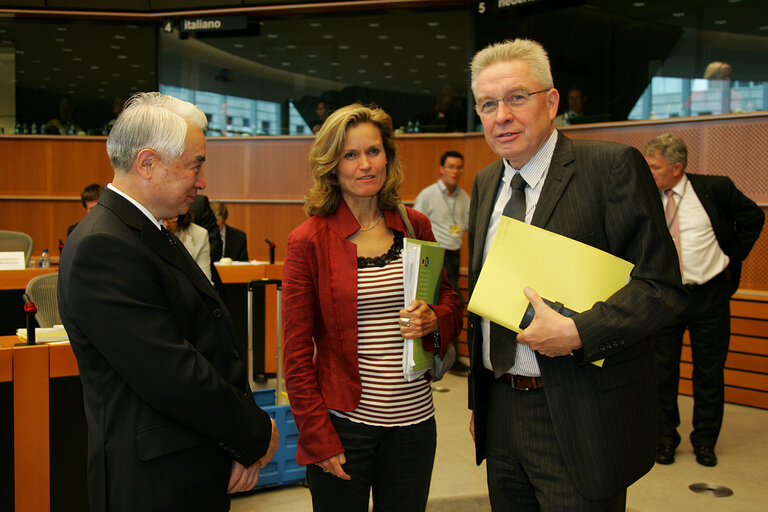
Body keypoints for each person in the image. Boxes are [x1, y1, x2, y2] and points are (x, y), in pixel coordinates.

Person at [466, 39, 687, 511]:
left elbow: (661, 288)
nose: (501, 114)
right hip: (500, 410)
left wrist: (578, 332)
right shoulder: (486, 183)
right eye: (488, 103)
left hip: (580, 410)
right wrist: (478, 405)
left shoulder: (609, 168)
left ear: (551, 102)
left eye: (516, 98)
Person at [57, 92, 278, 512]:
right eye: (195, 164)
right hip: (155, 486)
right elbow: (173, 372)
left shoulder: (144, 230)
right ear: (147, 163)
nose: (202, 181)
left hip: (186, 466)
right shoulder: (103, 246)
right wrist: (253, 433)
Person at [282, 103, 463, 512]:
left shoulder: (414, 224)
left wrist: (434, 319)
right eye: (350, 154)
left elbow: (450, 303)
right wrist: (317, 437)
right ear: (331, 165)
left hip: (415, 425)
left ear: (388, 156)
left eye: (374, 151)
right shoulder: (308, 241)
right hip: (345, 428)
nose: (365, 165)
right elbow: (294, 356)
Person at [644, 133, 764, 467]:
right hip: (667, 296)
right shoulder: (647, 195)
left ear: (677, 167)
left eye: (654, 166)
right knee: (662, 373)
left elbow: (754, 217)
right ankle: (664, 440)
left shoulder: (715, 189)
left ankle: (705, 442)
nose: (649, 172)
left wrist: (733, 256)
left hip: (709, 296)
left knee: (708, 373)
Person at [413, 150, 470, 297]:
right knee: (450, 297)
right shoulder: (428, 194)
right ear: (442, 169)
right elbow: (414, 225)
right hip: (436, 255)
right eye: (451, 167)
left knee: (448, 298)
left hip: (455, 254)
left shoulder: (463, 196)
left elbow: (470, 224)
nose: (455, 172)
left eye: (459, 168)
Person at [163, 212, 213, 282]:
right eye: (161, 219)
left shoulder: (199, 234)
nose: (165, 224)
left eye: (171, 218)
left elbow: (205, 281)